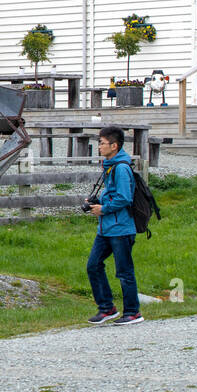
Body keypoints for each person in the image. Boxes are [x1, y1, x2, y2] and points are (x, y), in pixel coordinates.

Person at [84, 126, 143, 325]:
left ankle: (133, 312)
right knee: (93, 265)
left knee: (124, 271)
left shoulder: (122, 168)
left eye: (102, 143)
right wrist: (96, 201)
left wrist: (104, 208)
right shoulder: (109, 165)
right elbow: (112, 194)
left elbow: (124, 198)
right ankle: (107, 308)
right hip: (106, 229)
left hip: (121, 228)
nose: (99, 146)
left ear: (114, 146)